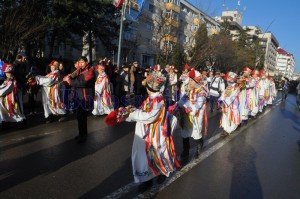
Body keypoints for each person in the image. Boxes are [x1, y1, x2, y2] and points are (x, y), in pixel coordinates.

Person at [108, 70, 179, 192]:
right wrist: (124, 114)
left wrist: (133, 113)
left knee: (154, 155)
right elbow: (141, 111)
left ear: (149, 88)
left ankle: (160, 173)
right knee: (143, 157)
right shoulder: (150, 99)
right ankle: (147, 180)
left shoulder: (158, 100)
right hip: (144, 132)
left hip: (153, 134)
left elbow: (149, 116)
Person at [169, 68, 208, 160]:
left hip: (196, 116)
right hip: (186, 115)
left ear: (196, 80)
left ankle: (199, 146)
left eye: (191, 80)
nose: (189, 82)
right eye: (189, 80)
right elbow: (183, 100)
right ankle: (185, 150)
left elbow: (197, 106)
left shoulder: (201, 91)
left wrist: (187, 108)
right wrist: (178, 105)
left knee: (196, 133)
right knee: (185, 133)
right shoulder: (189, 89)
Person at [63, 56, 95, 143]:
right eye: (79, 62)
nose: (80, 64)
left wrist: (70, 81)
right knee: (80, 117)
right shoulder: (79, 70)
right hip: (79, 96)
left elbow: (83, 83)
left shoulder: (90, 71)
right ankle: (82, 134)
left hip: (85, 97)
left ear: (86, 62)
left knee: (82, 117)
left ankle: (83, 135)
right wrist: (68, 77)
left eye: (82, 62)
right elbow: (74, 78)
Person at [0, 64, 26, 130]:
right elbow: (3, 87)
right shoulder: (6, 81)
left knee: (16, 110)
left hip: (14, 100)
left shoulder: (13, 81)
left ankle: (21, 122)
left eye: (8, 73)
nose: (7, 74)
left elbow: (6, 89)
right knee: (5, 110)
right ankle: (6, 122)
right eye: (6, 73)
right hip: (7, 99)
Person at [219, 72, 240, 136]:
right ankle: (225, 128)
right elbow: (224, 94)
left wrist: (225, 101)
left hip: (232, 105)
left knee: (231, 117)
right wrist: (221, 99)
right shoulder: (229, 87)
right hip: (226, 105)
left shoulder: (236, 88)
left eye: (229, 78)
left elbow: (232, 97)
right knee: (225, 116)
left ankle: (229, 130)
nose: (227, 80)